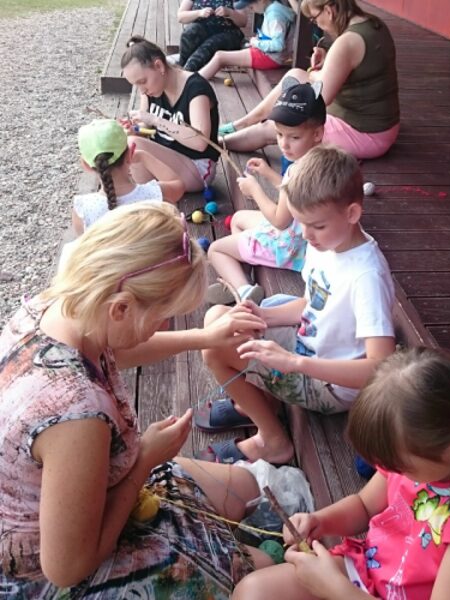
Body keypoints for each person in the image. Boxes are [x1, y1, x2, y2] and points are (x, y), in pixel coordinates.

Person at [0, 202, 275, 597]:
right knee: (260, 572)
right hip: (48, 573)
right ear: (121, 308)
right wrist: (145, 459)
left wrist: (204, 338)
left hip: (88, 495)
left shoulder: (54, 308)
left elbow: (115, 349)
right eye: (163, 316)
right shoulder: (77, 415)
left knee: (245, 489)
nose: (165, 325)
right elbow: (66, 568)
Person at [232, 347, 450, 600]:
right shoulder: (420, 461)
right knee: (253, 592)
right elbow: (364, 506)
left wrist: (337, 590)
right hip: (369, 573)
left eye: (399, 465)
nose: (391, 471)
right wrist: (319, 521)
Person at [199, 146, 396, 464]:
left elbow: (380, 368)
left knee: (213, 349)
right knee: (219, 318)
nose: (306, 235)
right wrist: (264, 315)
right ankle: (261, 402)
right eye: (301, 222)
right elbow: (311, 303)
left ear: (352, 214)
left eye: (316, 226)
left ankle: (273, 440)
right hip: (308, 348)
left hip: (329, 385)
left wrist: (294, 363)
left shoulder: (366, 277)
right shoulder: (328, 242)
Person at [219, 0, 400, 160]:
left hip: (366, 133)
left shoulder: (347, 42)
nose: (317, 24)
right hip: (379, 124)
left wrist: (315, 72)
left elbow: (321, 97)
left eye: (314, 18)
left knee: (279, 127)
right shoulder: (374, 23)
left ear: (329, 11)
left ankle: (218, 143)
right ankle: (243, 123)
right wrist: (328, 58)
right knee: (295, 75)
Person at [203, 77, 326, 309]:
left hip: (289, 245)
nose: (284, 144)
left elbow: (280, 220)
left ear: (317, 133)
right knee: (238, 219)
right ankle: (240, 274)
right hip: (303, 237)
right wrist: (269, 174)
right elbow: (295, 194)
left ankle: (244, 291)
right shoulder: (321, 160)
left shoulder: (297, 170)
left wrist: (255, 190)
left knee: (215, 250)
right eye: (279, 135)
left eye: (294, 137)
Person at [122, 36, 220, 192]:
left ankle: (145, 195)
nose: (142, 90)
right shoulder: (151, 90)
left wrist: (155, 119)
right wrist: (134, 129)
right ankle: (145, 194)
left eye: (142, 82)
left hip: (196, 167)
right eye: (136, 85)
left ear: (159, 66)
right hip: (165, 160)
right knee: (130, 142)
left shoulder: (195, 88)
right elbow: (145, 127)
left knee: (133, 145)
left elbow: (200, 142)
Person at [71, 118, 185, 235]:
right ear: (130, 154)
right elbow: (178, 184)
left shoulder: (83, 209)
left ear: (86, 165)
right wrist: (143, 156)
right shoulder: (153, 194)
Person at [199, 0, 295, 81]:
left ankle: (196, 81)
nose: (249, 8)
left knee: (220, 57)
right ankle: (198, 78)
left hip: (271, 58)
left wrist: (256, 43)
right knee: (220, 56)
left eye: (251, 5)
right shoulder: (272, 9)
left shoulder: (274, 15)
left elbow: (278, 45)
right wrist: (259, 39)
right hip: (266, 53)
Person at [177, 0, 247, 72]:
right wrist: (199, 13)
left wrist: (229, 12)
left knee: (210, 44)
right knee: (189, 33)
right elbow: (181, 17)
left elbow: (243, 21)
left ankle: (188, 71)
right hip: (203, 29)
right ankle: (182, 67)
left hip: (228, 33)